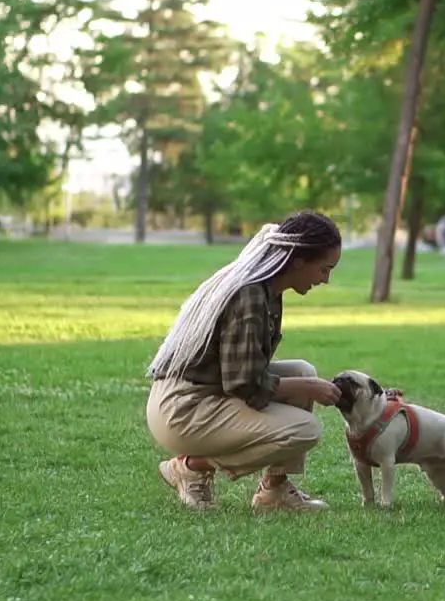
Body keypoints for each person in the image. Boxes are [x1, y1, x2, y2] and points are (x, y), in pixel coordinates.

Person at [144, 210, 343, 512]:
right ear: (299, 261)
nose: (326, 279)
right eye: (324, 269)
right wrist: (309, 388)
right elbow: (243, 384)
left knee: (304, 370)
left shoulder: (268, 289)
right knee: (305, 429)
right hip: (183, 408)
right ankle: (191, 467)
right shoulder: (249, 294)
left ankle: (273, 491)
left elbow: (245, 374)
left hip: (207, 393)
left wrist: (305, 382)